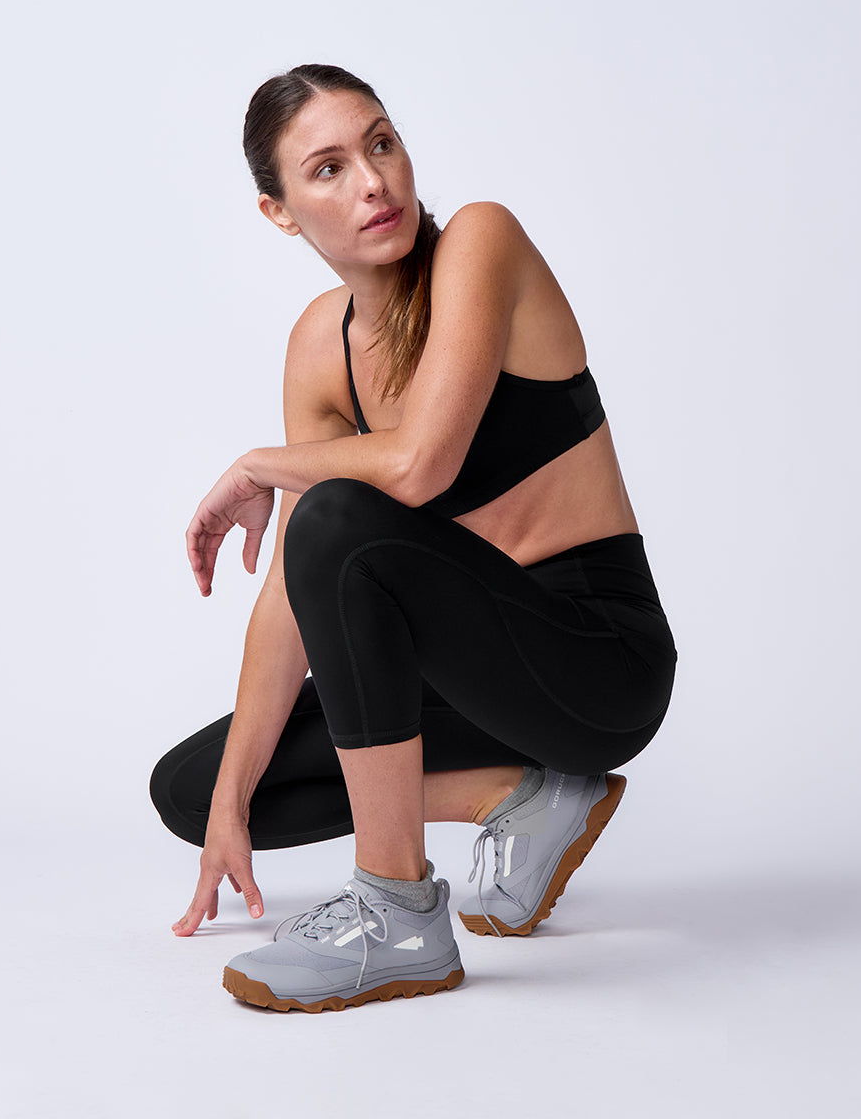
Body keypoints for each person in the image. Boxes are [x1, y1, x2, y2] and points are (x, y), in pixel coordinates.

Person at [149, 64, 677, 1012]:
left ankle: (397, 913)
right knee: (197, 790)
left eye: (382, 143)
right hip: (474, 685)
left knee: (345, 518)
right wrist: (231, 804)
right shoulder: (321, 346)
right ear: (278, 212)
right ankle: (522, 797)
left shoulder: (482, 243)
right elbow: (292, 592)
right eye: (329, 168)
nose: (373, 183)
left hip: (596, 662)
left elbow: (421, 465)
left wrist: (261, 464)